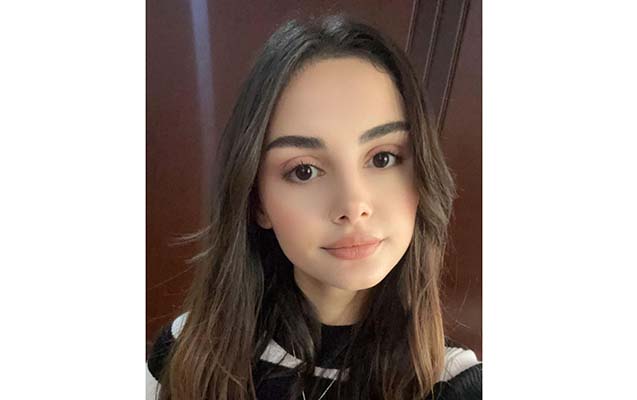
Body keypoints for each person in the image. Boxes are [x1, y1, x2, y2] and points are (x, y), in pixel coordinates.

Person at [147, 13, 481, 400]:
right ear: (258, 202)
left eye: (383, 158)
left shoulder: (458, 386)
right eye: (304, 171)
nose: (353, 205)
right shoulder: (187, 349)